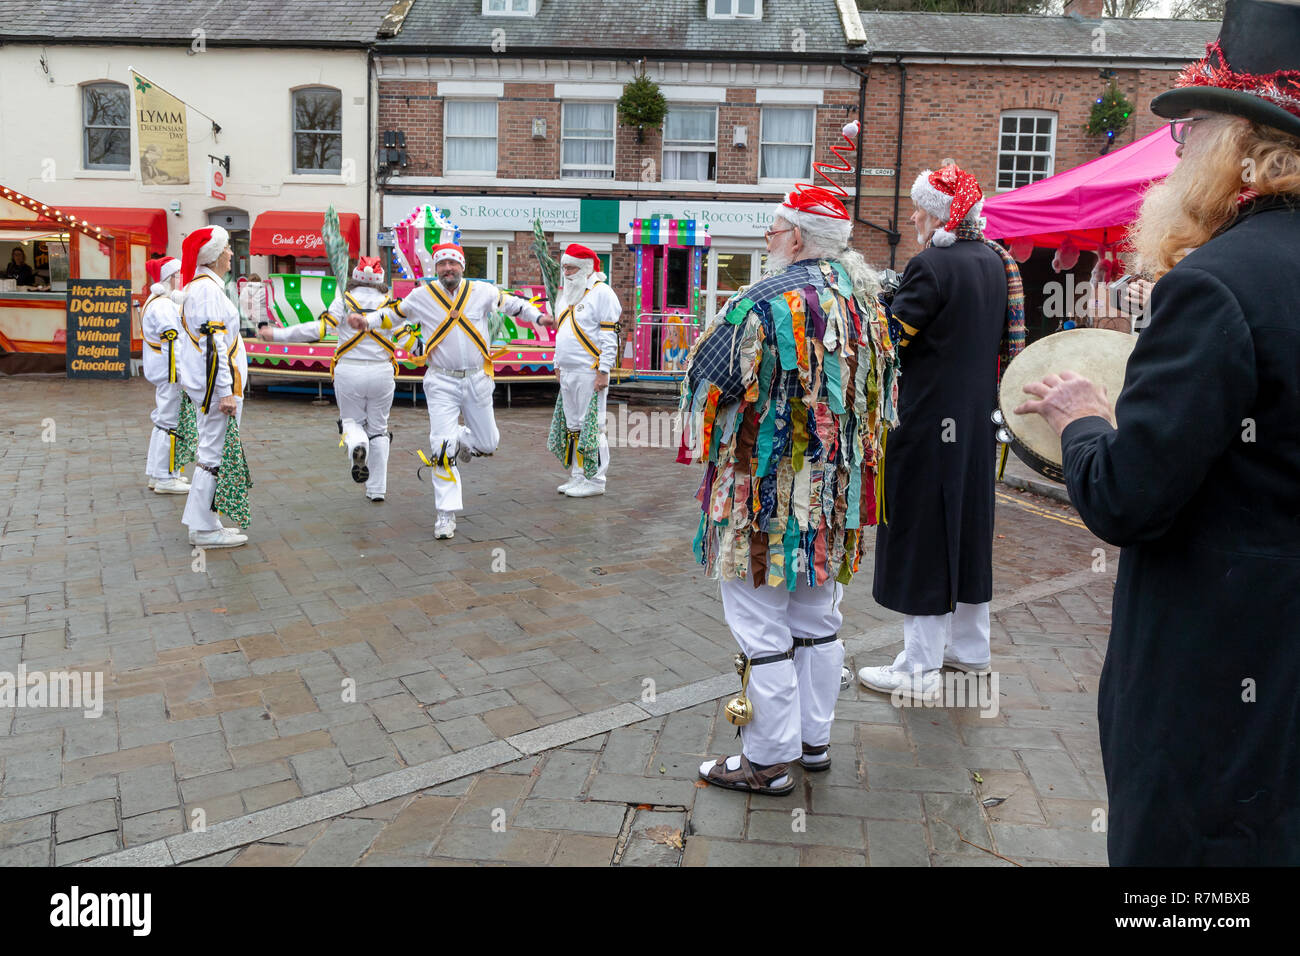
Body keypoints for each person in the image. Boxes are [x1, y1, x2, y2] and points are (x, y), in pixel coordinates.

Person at [1015, 0, 1300, 866]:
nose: (1176, 154)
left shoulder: (1217, 284)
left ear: (1236, 141)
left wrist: (1085, 420)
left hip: (1221, 677)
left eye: (1191, 131)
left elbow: (1130, 497)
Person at [685, 177, 898, 795]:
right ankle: (813, 740)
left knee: (759, 622)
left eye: (774, 229)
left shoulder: (759, 299)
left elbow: (707, 378)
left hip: (761, 494)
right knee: (817, 616)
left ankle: (767, 760)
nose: (770, 238)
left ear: (797, 236)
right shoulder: (865, 302)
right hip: (834, 496)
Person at [859, 162, 1024, 703]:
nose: (911, 218)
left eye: (919, 211)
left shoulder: (930, 265)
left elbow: (889, 340)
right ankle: (970, 650)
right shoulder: (996, 262)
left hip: (928, 422)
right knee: (969, 528)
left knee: (924, 533)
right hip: (976, 421)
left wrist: (874, 303)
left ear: (939, 217)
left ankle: (918, 669)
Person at [350, 242, 540, 539]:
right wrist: (367, 321)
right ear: (435, 268)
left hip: (477, 379)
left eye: (453, 263)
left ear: (462, 266)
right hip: (441, 381)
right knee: (441, 446)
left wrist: (539, 317)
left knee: (488, 444)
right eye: (442, 264)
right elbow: (392, 314)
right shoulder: (422, 296)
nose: (447, 268)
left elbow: (513, 304)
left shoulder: (481, 291)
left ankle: (464, 439)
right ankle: (445, 514)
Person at [259, 257, 398, 502]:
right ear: (380, 280)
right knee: (379, 429)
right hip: (382, 372)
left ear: (355, 277)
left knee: (351, 421)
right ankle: (377, 490)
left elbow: (318, 330)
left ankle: (357, 444)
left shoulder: (343, 302)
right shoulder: (391, 303)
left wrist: (277, 334)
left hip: (348, 370)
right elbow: (408, 338)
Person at [177, 225, 249, 549]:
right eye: (227, 249)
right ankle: (205, 529)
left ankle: (206, 522)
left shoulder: (202, 288)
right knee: (212, 453)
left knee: (212, 452)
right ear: (215, 255)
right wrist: (225, 393)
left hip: (211, 387)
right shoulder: (206, 290)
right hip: (216, 388)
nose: (232, 254)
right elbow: (214, 345)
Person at [536, 244, 621, 498]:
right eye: (564, 267)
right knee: (572, 425)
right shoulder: (565, 296)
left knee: (592, 425)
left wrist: (604, 370)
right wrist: (557, 363)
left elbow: (609, 336)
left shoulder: (602, 293)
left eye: (570, 267)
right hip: (569, 371)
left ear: (585, 268)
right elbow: (561, 333)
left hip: (589, 370)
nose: (566, 272)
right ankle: (578, 475)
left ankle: (596, 479)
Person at [140, 255, 191, 495]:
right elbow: (173, 344)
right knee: (169, 422)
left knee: (164, 420)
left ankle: (160, 473)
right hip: (169, 372)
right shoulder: (162, 305)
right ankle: (164, 476)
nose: (181, 278)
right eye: (178, 274)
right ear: (170, 277)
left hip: (165, 370)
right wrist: (181, 373)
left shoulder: (158, 301)